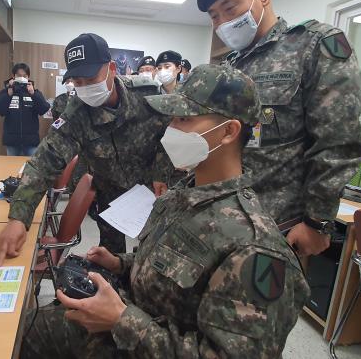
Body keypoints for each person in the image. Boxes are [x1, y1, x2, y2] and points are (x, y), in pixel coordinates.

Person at [20, 64, 309, 358]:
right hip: (127, 319)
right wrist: (121, 263)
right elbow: (173, 266)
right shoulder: (184, 193)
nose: (170, 130)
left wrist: (123, 320)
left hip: (134, 341)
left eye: (183, 119)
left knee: (22, 338)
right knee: (23, 327)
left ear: (228, 131)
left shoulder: (255, 247)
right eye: (171, 120)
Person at [197, 0, 361, 256]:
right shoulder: (228, 67)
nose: (222, 22)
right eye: (214, 16)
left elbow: (338, 141)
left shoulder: (314, 46)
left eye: (229, 7)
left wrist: (317, 221)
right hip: (224, 219)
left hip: (278, 226)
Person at [0, 33, 173, 264]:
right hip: (111, 194)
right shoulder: (76, 113)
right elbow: (43, 163)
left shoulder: (148, 94)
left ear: (111, 68)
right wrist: (18, 218)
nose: (85, 88)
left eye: (90, 79)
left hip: (152, 191)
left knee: (151, 256)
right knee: (110, 258)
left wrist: (162, 172)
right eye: (78, 82)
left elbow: (171, 133)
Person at [0, 63, 50, 156]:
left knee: (31, 168)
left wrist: (33, 94)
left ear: (28, 77)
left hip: (31, 142)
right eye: (19, 75)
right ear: (13, 76)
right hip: (12, 142)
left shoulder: (34, 93)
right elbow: (0, 111)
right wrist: (8, 95)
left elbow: (44, 109)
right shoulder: (6, 92)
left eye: (24, 75)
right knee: (12, 168)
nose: (22, 77)